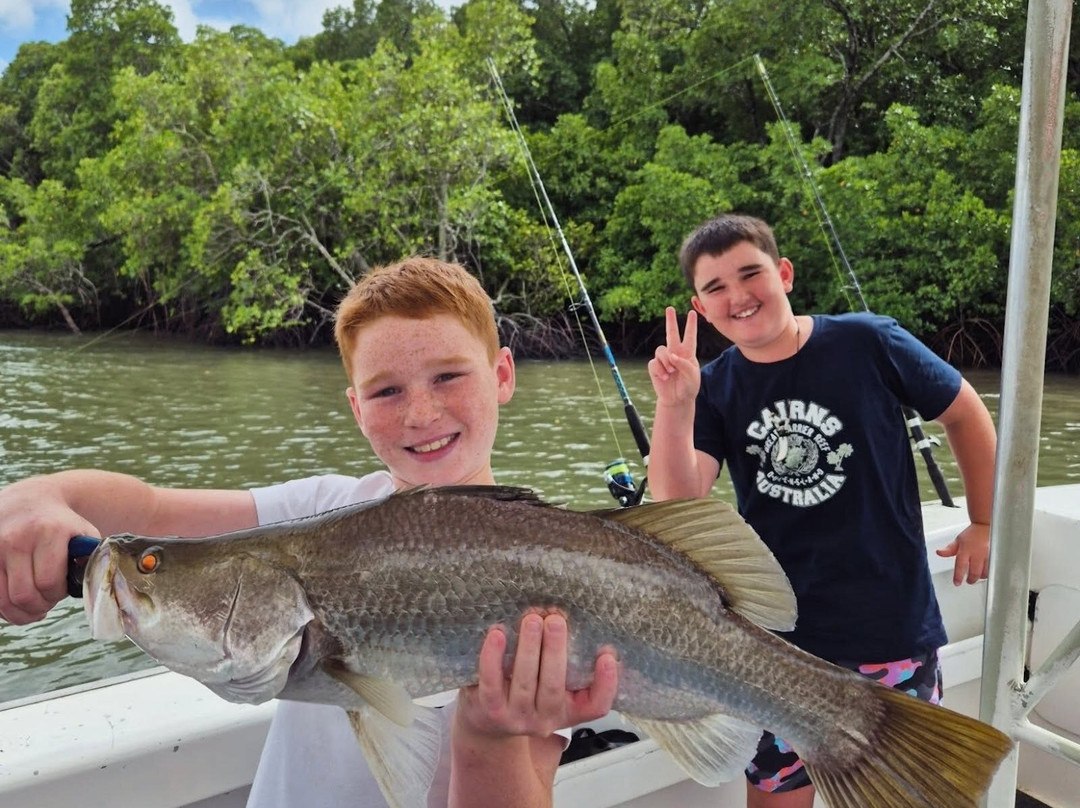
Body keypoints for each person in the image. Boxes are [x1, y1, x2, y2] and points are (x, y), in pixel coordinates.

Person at [0, 256, 619, 808]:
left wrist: (489, 736)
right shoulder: (317, 509)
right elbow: (151, 511)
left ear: (503, 375)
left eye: (449, 376)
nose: (421, 413)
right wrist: (39, 496)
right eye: (386, 390)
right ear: (355, 408)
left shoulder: (558, 570)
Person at [646, 214, 997, 808]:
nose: (738, 296)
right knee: (779, 795)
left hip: (890, 625)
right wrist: (675, 407)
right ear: (700, 309)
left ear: (783, 274)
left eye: (750, 274)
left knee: (906, 795)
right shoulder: (713, 387)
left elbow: (965, 413)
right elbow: (678, 508)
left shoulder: (868, 341)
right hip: (770, 645)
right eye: (716, 288)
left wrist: (985, 521)